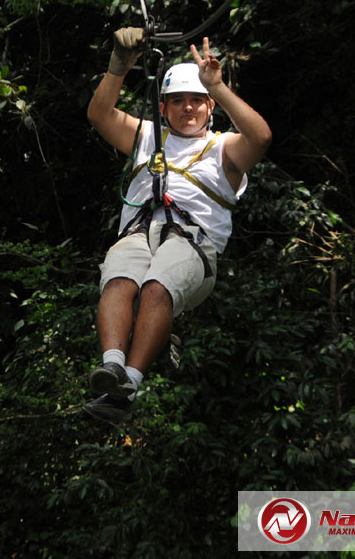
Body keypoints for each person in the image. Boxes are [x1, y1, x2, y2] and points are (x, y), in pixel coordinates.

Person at [83, 27, 272, 424]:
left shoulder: (223, 149)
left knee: (157, 286)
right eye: (178, 102)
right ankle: (112, 367)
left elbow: (261, 137)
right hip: (139, 231)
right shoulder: (148, 135)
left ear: (209, 108)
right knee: (119, 279)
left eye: (197, 102)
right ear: (164, 107)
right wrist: (119, 65)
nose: (188, 109)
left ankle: (127, 387)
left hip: (192, 243)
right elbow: (100, 115)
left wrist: (217, 87)